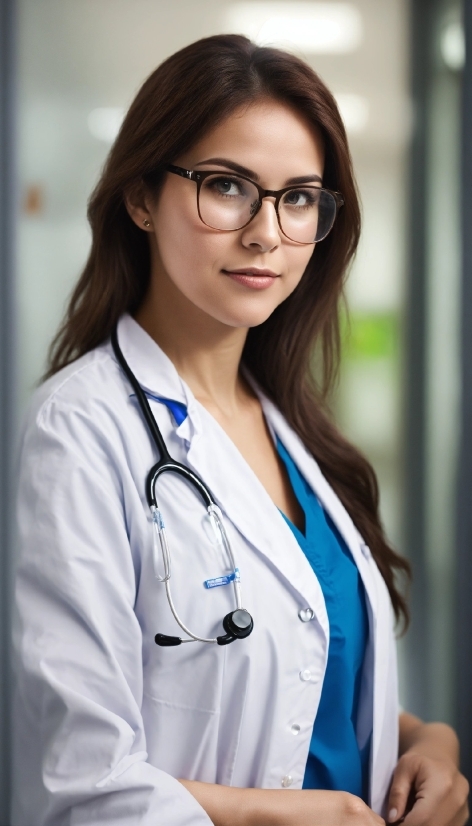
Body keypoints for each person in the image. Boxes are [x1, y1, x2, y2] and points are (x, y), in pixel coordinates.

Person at [13, 34, 468, 826]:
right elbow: (78, 787)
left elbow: (297, 682)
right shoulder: (78, 433)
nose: (267, 233)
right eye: (228, 186)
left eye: (299, 197)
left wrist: (425, 740)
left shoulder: (288, 424)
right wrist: (282, 816)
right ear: (142, 196)